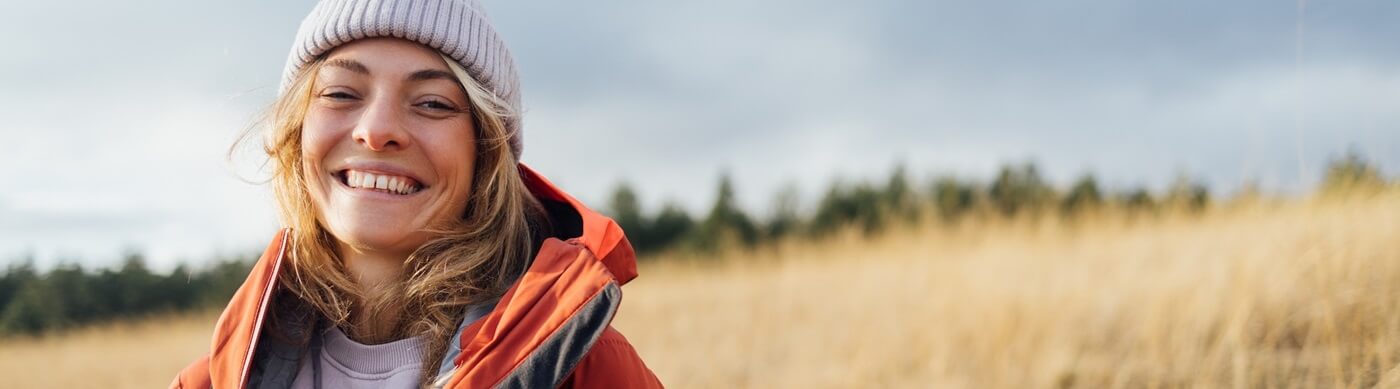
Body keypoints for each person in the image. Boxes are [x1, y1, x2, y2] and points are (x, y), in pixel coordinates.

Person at [170, 0, 662, 388]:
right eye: (341, 93)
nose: (378, 130)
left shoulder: (587, 371)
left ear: (486, 155)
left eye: (432, 103)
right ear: (296, 133)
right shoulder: (209, 383)